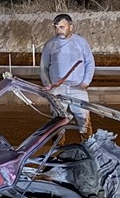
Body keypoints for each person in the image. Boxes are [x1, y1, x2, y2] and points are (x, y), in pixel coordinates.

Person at [40, 13, 96, 143]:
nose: (59, 30)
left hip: (78, 88)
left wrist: (86, 82)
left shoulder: (81, 42)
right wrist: (48, 85)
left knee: (84, 120)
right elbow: (43, 67)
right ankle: (58, 150)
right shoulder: (50, 45)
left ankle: (88, 148)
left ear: (70, 27)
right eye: (56, 27)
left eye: (62, 27)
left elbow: (89, 62)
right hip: (57, 89)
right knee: (57, 121)